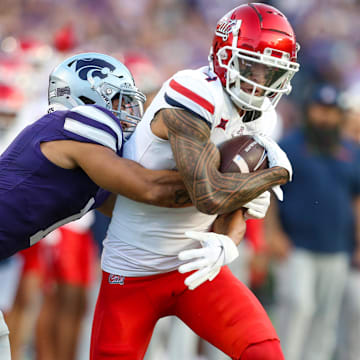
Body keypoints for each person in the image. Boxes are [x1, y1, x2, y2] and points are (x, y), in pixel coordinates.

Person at [91, 3, 300, 359]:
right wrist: (276, 173)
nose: (261, 81)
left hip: (195, 268)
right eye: (253, 66)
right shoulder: (193, 90)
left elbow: (232, 205)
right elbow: (210, 194)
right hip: (132, 269)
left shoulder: (261, 117)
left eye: (272, 72)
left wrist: (228, 241)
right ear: (225, 55)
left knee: (263, 352)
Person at [0, 52, 193, 359]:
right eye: (120, 100)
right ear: (89, 98)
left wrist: (223, 209)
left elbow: (139, 212)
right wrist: (218, 178)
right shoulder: (76, 127)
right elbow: (149, 187)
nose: (130, 111)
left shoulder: (92, 165)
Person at [265, 82, 360, 360]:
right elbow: (270, 193)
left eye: (331, 111)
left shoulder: (351, 151)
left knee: (325, 317)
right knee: (297, 307)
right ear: (310, 111)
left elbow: (356, 199)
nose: (325, 116)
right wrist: (274, 234)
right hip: (296, 245)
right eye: (320, 109)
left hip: (337, 247)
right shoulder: (289, 146)